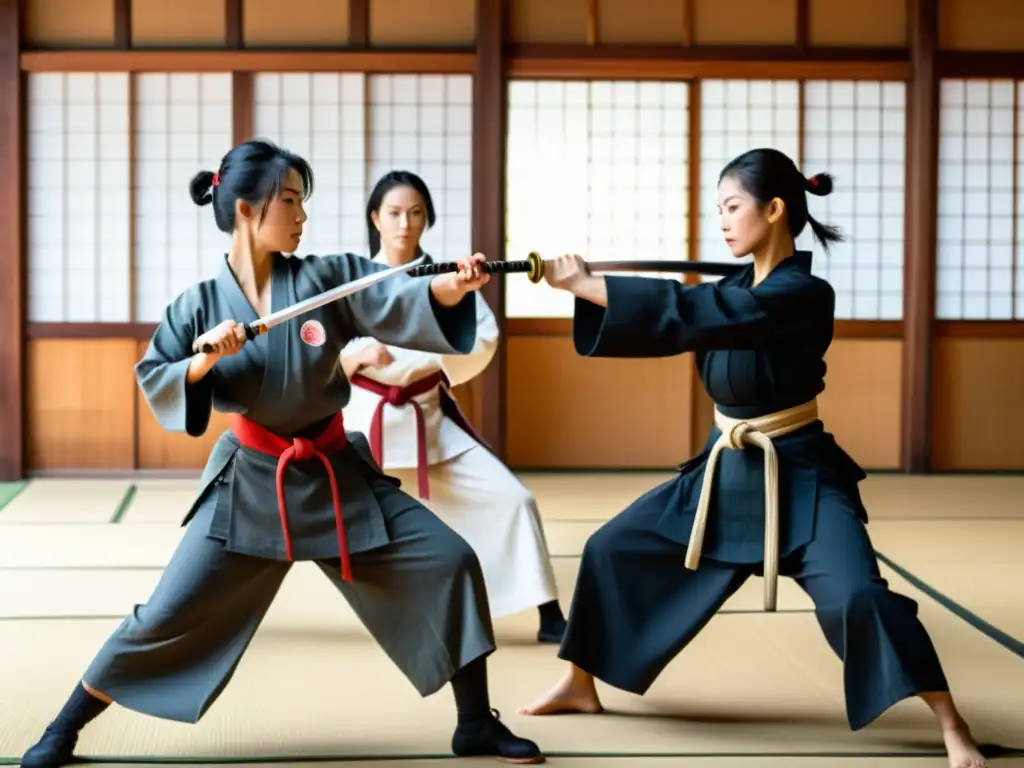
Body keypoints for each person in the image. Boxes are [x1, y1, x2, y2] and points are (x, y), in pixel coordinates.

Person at [20, 139, 544, 768]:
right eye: (290, 201)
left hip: (333, 474)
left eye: (303, 203)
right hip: (251, 486)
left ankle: (474, 726)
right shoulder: (197, 306)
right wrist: (203, 360)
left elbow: (395, 300)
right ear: (246, 209)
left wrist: (453, 293)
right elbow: (158, 374)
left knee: (448, 561)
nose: (301, 217)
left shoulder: (326, 280)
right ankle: (63, 729)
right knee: (165, 612)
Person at [516, 148, 987, 768]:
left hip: (799, 474)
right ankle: (581, 683)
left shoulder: (804, 293)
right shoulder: (737, 285)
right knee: (612, 548)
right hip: (725, 467)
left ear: (775, 209)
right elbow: (679, 322)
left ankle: (952, 724)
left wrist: (585, 284)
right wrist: (588, 289)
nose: (723, 222)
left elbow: (696, 312)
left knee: (858, 598)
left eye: (733, 208)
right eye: (718, 211)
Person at [339, 170, 567, 644]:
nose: (405, 223)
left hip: (428, 421)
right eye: (395, 212)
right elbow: (314, 345)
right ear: (375, 218)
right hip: (364, 427)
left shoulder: (450, 280)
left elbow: (480, 338)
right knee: (304, 515)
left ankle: (547, 612)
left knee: (512, 499)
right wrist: (354, 357)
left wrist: (417, 361)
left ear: (428, 220)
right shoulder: (350, 280)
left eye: (416, 213)